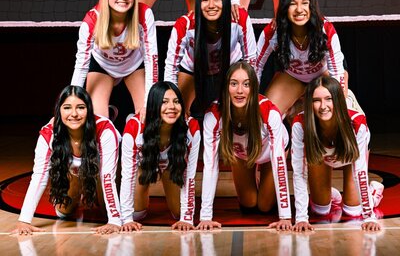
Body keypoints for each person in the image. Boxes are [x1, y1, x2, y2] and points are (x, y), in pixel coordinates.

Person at [13, 86, 122, 235]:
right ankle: (81, 185)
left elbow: (107, 176)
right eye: (67, 108)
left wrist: (114, 220)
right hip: (75, 172)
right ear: (59, 110)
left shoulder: (105, 129)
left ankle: (93, 189)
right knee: (63, 212)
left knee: (105, 213)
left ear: (89, 110)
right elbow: (39, 176)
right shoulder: (48, 133)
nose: (74, 114)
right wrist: (24, 221)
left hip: (101, 171)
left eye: (81, 107)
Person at [198, 62, 292, 231]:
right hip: (241, 154)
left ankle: (265, 183)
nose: (240, 91)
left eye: (246, 84)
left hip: (270, 154)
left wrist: (285, 216)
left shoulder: (269, 112)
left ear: (254, 88)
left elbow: (278, 163)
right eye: (234, 84)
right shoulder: (213, 115)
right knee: (249, 205)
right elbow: (210, 164)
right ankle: (256, 181)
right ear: (226, 87)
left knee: (264, 206)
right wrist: (205, 216)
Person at [291, 76, 383, 232]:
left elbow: (359, 171)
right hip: (323, 154)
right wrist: (301, 218)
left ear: (338, 101)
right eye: (316, 100)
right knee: (320, 210)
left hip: (349, 155)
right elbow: (299, 173)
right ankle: (330, 194)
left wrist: (369, 216)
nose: (323, 106)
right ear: (309, 103)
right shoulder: (301, 123)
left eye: (329, 99)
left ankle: (373, 192)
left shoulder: (356, 123)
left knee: (353, 210)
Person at [71, 0, 158, 120]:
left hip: (133, 64)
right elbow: (81, 65)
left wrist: (147, 103)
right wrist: (71, 98)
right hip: (103, 66)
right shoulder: (92, 20)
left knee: (149, 115)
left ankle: (132, 121)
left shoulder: (144, 14)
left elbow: (152, 60)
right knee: (98, 121)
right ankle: (108, 115)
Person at [164, 0, 257, 116]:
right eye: (205, 0)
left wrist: (251, 91)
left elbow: (251, 61)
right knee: (178, 112)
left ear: (226, 0)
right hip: (193, 69)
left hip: (229, 67)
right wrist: (169, 98)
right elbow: (171, 67)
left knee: (238, 111)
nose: (211, 5)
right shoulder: (185, 25)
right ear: (197, 3)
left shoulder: (239, 18)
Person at [257, 0, 347, 118]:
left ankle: (349, 102)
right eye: (292, 4)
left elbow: (337, 72)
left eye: (305, 3)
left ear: (311, 7)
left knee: (335, 111)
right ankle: (295, 109)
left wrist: (340, 103)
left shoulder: (325, 30)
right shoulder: (273, 32)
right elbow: (256, 67)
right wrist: (250, 99)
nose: (299, 9)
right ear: (284, 8)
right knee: (265, 115)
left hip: (323, 74)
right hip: (292, 76)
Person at [120, 81, 200, 231]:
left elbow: (190, 176)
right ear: (154, 105)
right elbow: (127, 176)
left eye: (176, 101)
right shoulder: (134, 127)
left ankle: (166, 173)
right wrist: (126, 219)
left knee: (178, 213)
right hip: (145, 163)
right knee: (137, 214)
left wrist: (187, 218)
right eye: (164, 102)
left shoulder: (191, 127)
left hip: (171, 164)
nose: (172, 107)